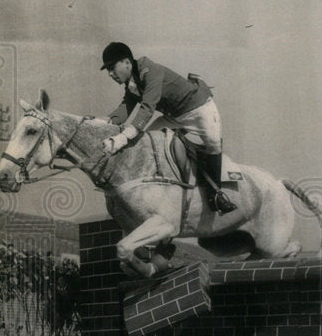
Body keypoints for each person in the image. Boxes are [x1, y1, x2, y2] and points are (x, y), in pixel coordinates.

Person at [99, 41, 237, 214]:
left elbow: (147, 109)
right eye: (108, 71)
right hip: (175, 116)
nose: (111, 74)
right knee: (146, 141)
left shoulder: (151, 71)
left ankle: (216, 195)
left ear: (127, 62)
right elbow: (125, 109)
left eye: (112, 68)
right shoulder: (132, 83)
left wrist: (122, 138)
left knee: (213, 143)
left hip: (199, 109)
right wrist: (102, 122)